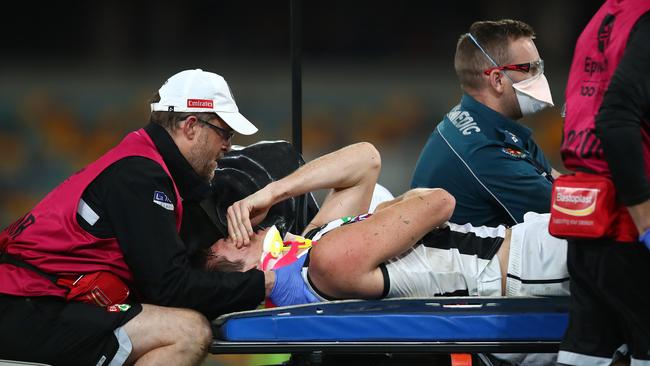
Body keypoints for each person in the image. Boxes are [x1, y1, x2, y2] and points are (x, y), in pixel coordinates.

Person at [0, 69, 291, 366]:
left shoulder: (143, 164)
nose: (228, 145)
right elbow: (170, 288)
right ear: (191, 126)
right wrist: (267, 283)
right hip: (28, 306)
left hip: (37, 300)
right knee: (187, 331)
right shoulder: (142, 176)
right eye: (225, 132)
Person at [214, 142, 569, 306]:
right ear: (245, 266)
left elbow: (366, 159)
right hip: (526, 267)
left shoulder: (313, 248)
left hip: (521, 256)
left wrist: (273, 192)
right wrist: (407, 201)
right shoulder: (326, 261)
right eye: (230, 241)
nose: (240, 230)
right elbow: (439, 201)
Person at [556, 1, 650, 365]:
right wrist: (644, 219)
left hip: (585, 213)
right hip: (628, 224)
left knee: (585, 353)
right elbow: (615, 117)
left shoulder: (605, 17)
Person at [411, 19, 559, 227]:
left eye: (540, 66)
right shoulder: (484, 149)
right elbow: (567, 211)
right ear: (498, 80)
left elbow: (553, 179)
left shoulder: (492, 125)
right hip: (468, 258)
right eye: (530, 68)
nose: (540, 76)